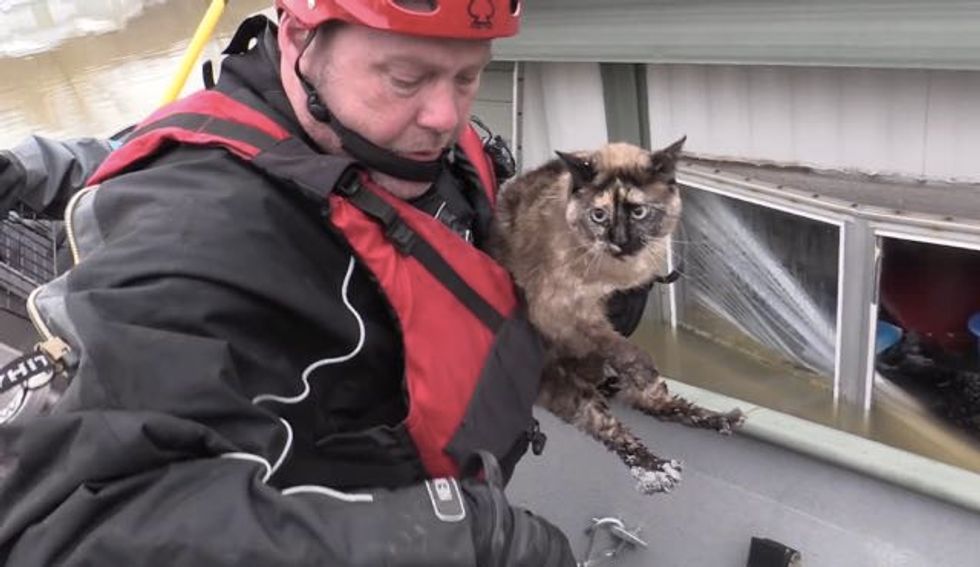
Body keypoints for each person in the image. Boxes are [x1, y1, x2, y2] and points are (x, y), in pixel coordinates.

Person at [0, 2, 651, 565]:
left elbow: (465, 256)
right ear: (298, 40)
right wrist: (465, 538)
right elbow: (65, 523)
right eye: (406, 78)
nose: (445, 116)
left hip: (431, 459)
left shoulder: (408, 144)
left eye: (468, 77)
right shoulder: (194, 231)